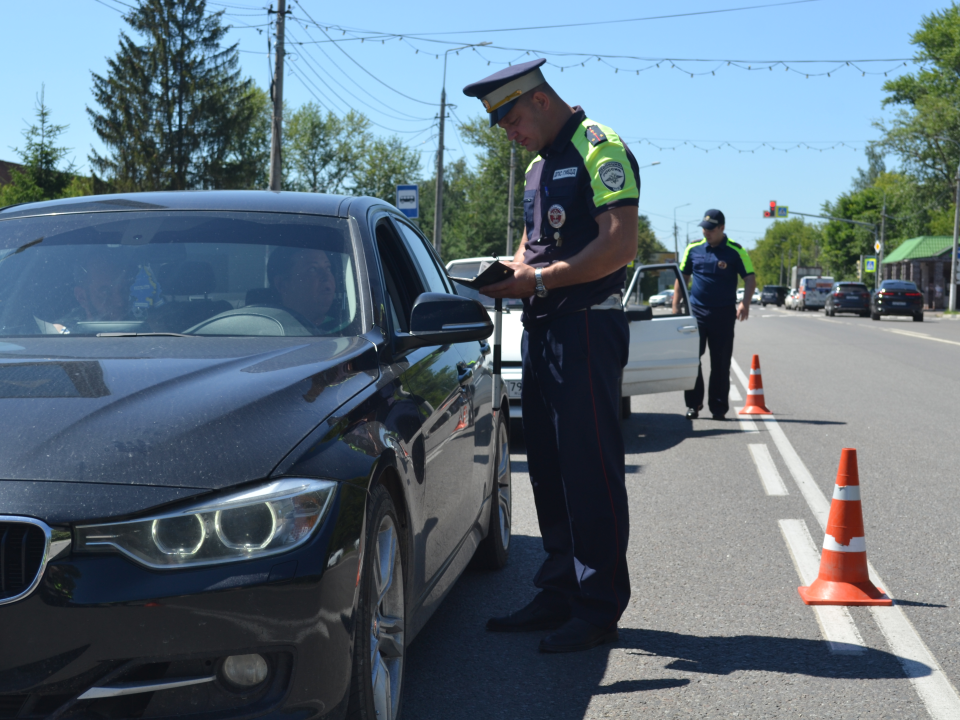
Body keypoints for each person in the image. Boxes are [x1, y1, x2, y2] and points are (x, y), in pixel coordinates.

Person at [463, 59, 640, 653]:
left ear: (539, 100)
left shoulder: (600, 148)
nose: (507, 134)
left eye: (511, 118)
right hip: (542, 327)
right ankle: (561, 589)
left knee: (590, 472)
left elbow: (619, 244)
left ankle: (598, 606)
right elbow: (531, 243)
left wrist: (537, 282)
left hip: (587, 326)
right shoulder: (538, 168)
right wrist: (512, 269)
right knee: (550, 471)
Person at [671, 209, 755, 420]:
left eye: (710, 229)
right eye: (704, 228)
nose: (706, 232)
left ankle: (718, 408)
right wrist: (675, 306)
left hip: (723, 315)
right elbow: (682, 278)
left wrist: (745, 303)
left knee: (720, 363)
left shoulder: (736, 251)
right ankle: (693, 404)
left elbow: (750, 278)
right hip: (697, 314)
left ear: (721, 228)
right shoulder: (693, 248)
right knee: (693, 360)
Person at [267, 247, 336, 328]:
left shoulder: (346, 329)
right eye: (312, 269)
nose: (327, 276)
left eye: (328, 268)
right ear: (282, 285)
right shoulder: (264, 330)